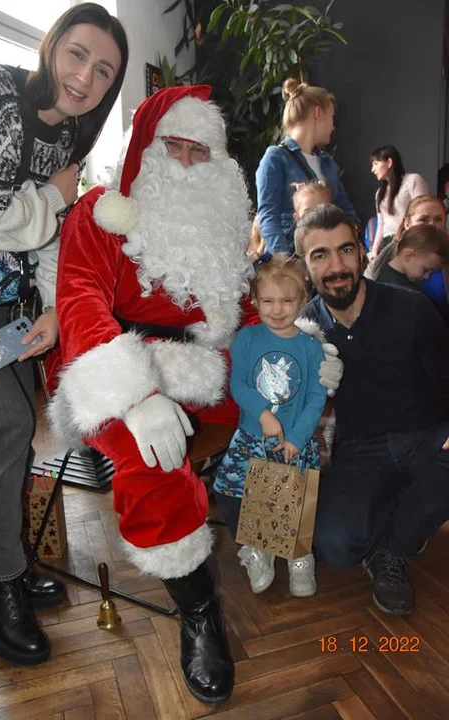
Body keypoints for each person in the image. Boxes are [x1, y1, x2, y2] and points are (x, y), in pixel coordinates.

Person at [47, 85, 342, 704]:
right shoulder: (100, 214)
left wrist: (300, 348)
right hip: (121, 360)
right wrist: (134, 394)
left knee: (285, 388)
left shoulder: (217, 221)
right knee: (148, 455)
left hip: (204, 363)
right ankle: (199, 606)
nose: (184, 161)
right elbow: (78, 302)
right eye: (172, 146)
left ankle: (266, 531)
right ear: (145, 151)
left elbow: (241, 308)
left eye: (197, 150)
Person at [0, 2, 128, 667]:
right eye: (77, 53)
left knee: (10, 426)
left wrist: (55, 309)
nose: (85, 76)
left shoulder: (68, 141)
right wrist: (58, 198)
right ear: (52, 44)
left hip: (2, 304)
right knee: (6, 425)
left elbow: (45, 240)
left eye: (104, 70)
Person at [295, 203, 449, 616]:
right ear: (306, 267)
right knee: (336, 546)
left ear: (363, 253)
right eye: (320, 255)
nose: (336, 265)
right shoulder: (304, 331)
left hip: (426, 439)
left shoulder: (411, 308)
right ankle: (403, 510)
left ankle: (392, 551)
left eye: (345, 250)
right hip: (361, 449)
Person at [212, 256, 326, 598]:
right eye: (268, 301)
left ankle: (300, 558)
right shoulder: (247, 339)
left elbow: (315, 399)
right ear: (255, 301)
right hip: (252, 437)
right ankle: (255, 550)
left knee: (294, 499)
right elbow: (239, 386)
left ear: (302, 300)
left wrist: (296, 437)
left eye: (287, 300)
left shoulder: (311, 348)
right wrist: (263, 414)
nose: (277, 310)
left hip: (296, 441)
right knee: (234, 493)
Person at [255, 78, 359, 256]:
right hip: (295, 259)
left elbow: (347, 212)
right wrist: (284, 261)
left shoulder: (328, 163)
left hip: (328, 258)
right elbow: (268, 215)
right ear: (318, 113)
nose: (333, 127)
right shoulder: (276, 158)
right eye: (331, 117)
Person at [366, 194, 449, 322]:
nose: (432, 225)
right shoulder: (387, 258)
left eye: (438, 219)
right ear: (407, 223)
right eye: (423, 220)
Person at [247, 180, 332, 261]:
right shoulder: (289, 248)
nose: (316, 216)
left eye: (323, 209)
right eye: (308, 212)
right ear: (296, 217)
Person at [369, 145, 429, 258]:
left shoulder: (413, 180)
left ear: (389, 162)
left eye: (375, 164)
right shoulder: (379, 193)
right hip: (387, 245)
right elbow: (381, 223)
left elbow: (424, 214)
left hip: (409, 241)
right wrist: (375, 250)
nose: (372, 169)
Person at [370, 224, 449, 291]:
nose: (427, 277)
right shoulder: (397, 290)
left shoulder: (384, 272)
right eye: (425, 270)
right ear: (408, 256)